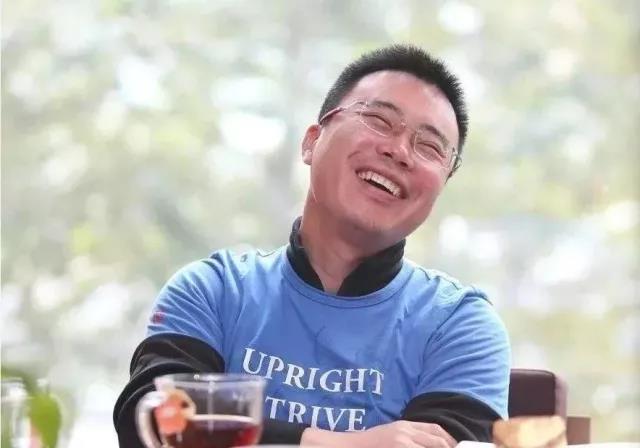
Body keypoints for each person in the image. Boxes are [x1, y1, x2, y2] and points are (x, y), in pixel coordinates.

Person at [113, 44, 510, 448]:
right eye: (379, 120)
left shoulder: (458, 325)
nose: (400, 151)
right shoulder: (213, 292)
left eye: (429, 147)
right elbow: (152, 425)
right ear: (310, 142)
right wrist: (343, 444)